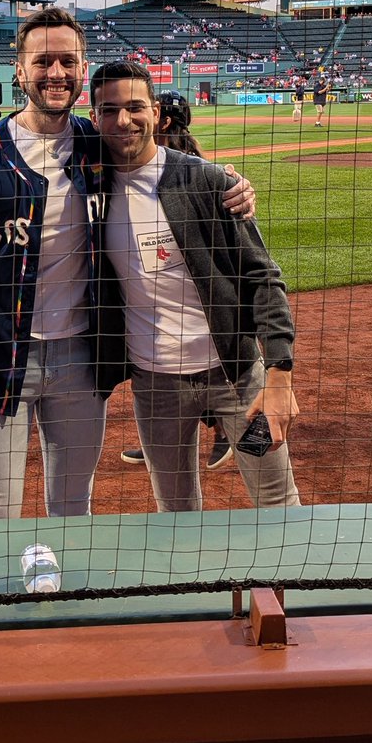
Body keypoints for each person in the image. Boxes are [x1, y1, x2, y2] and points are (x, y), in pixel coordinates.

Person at [0, 7, 254, 520]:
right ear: (20, 70)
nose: (55, 72)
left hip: (80, 360)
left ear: (82, 68)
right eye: (43, 61)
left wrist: (228, 187)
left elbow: (163, 169)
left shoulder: (96, 143)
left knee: (72, 509)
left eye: (67, 61)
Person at [90, 60, 300, 513]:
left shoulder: (206, 181)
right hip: (155, 387)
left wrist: (280, 374)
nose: (123, 120)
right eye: (109, 110)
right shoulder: (89, 189)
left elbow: (263, 276)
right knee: (176, 511)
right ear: (94, 117)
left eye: (135, 107)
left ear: (157, 114)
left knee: (277, 504)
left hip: (238, 378)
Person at [121, 89, 251, 473]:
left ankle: (224, 431)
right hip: (165, 357)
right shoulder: (129, 164)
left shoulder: (192, 167)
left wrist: (238, 189)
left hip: (216, 338)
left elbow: (257, 270)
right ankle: (167, 439)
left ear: (160, 117)